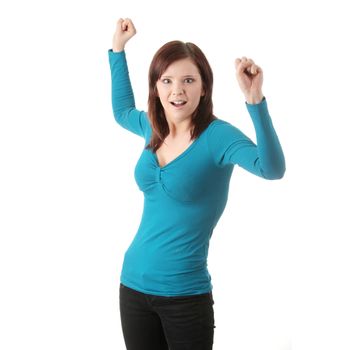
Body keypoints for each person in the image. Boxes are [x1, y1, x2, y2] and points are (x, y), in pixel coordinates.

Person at [108, 18, 285, 350]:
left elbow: (271, 168)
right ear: (156, 87)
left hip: (185, 298)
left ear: (204, 87)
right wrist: (118, 49)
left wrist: (255, 102)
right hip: (132, 287)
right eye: (167, 80)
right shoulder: (153, 126)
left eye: (189, 80)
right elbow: (121, 111)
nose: (178, 90)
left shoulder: (218, 137)